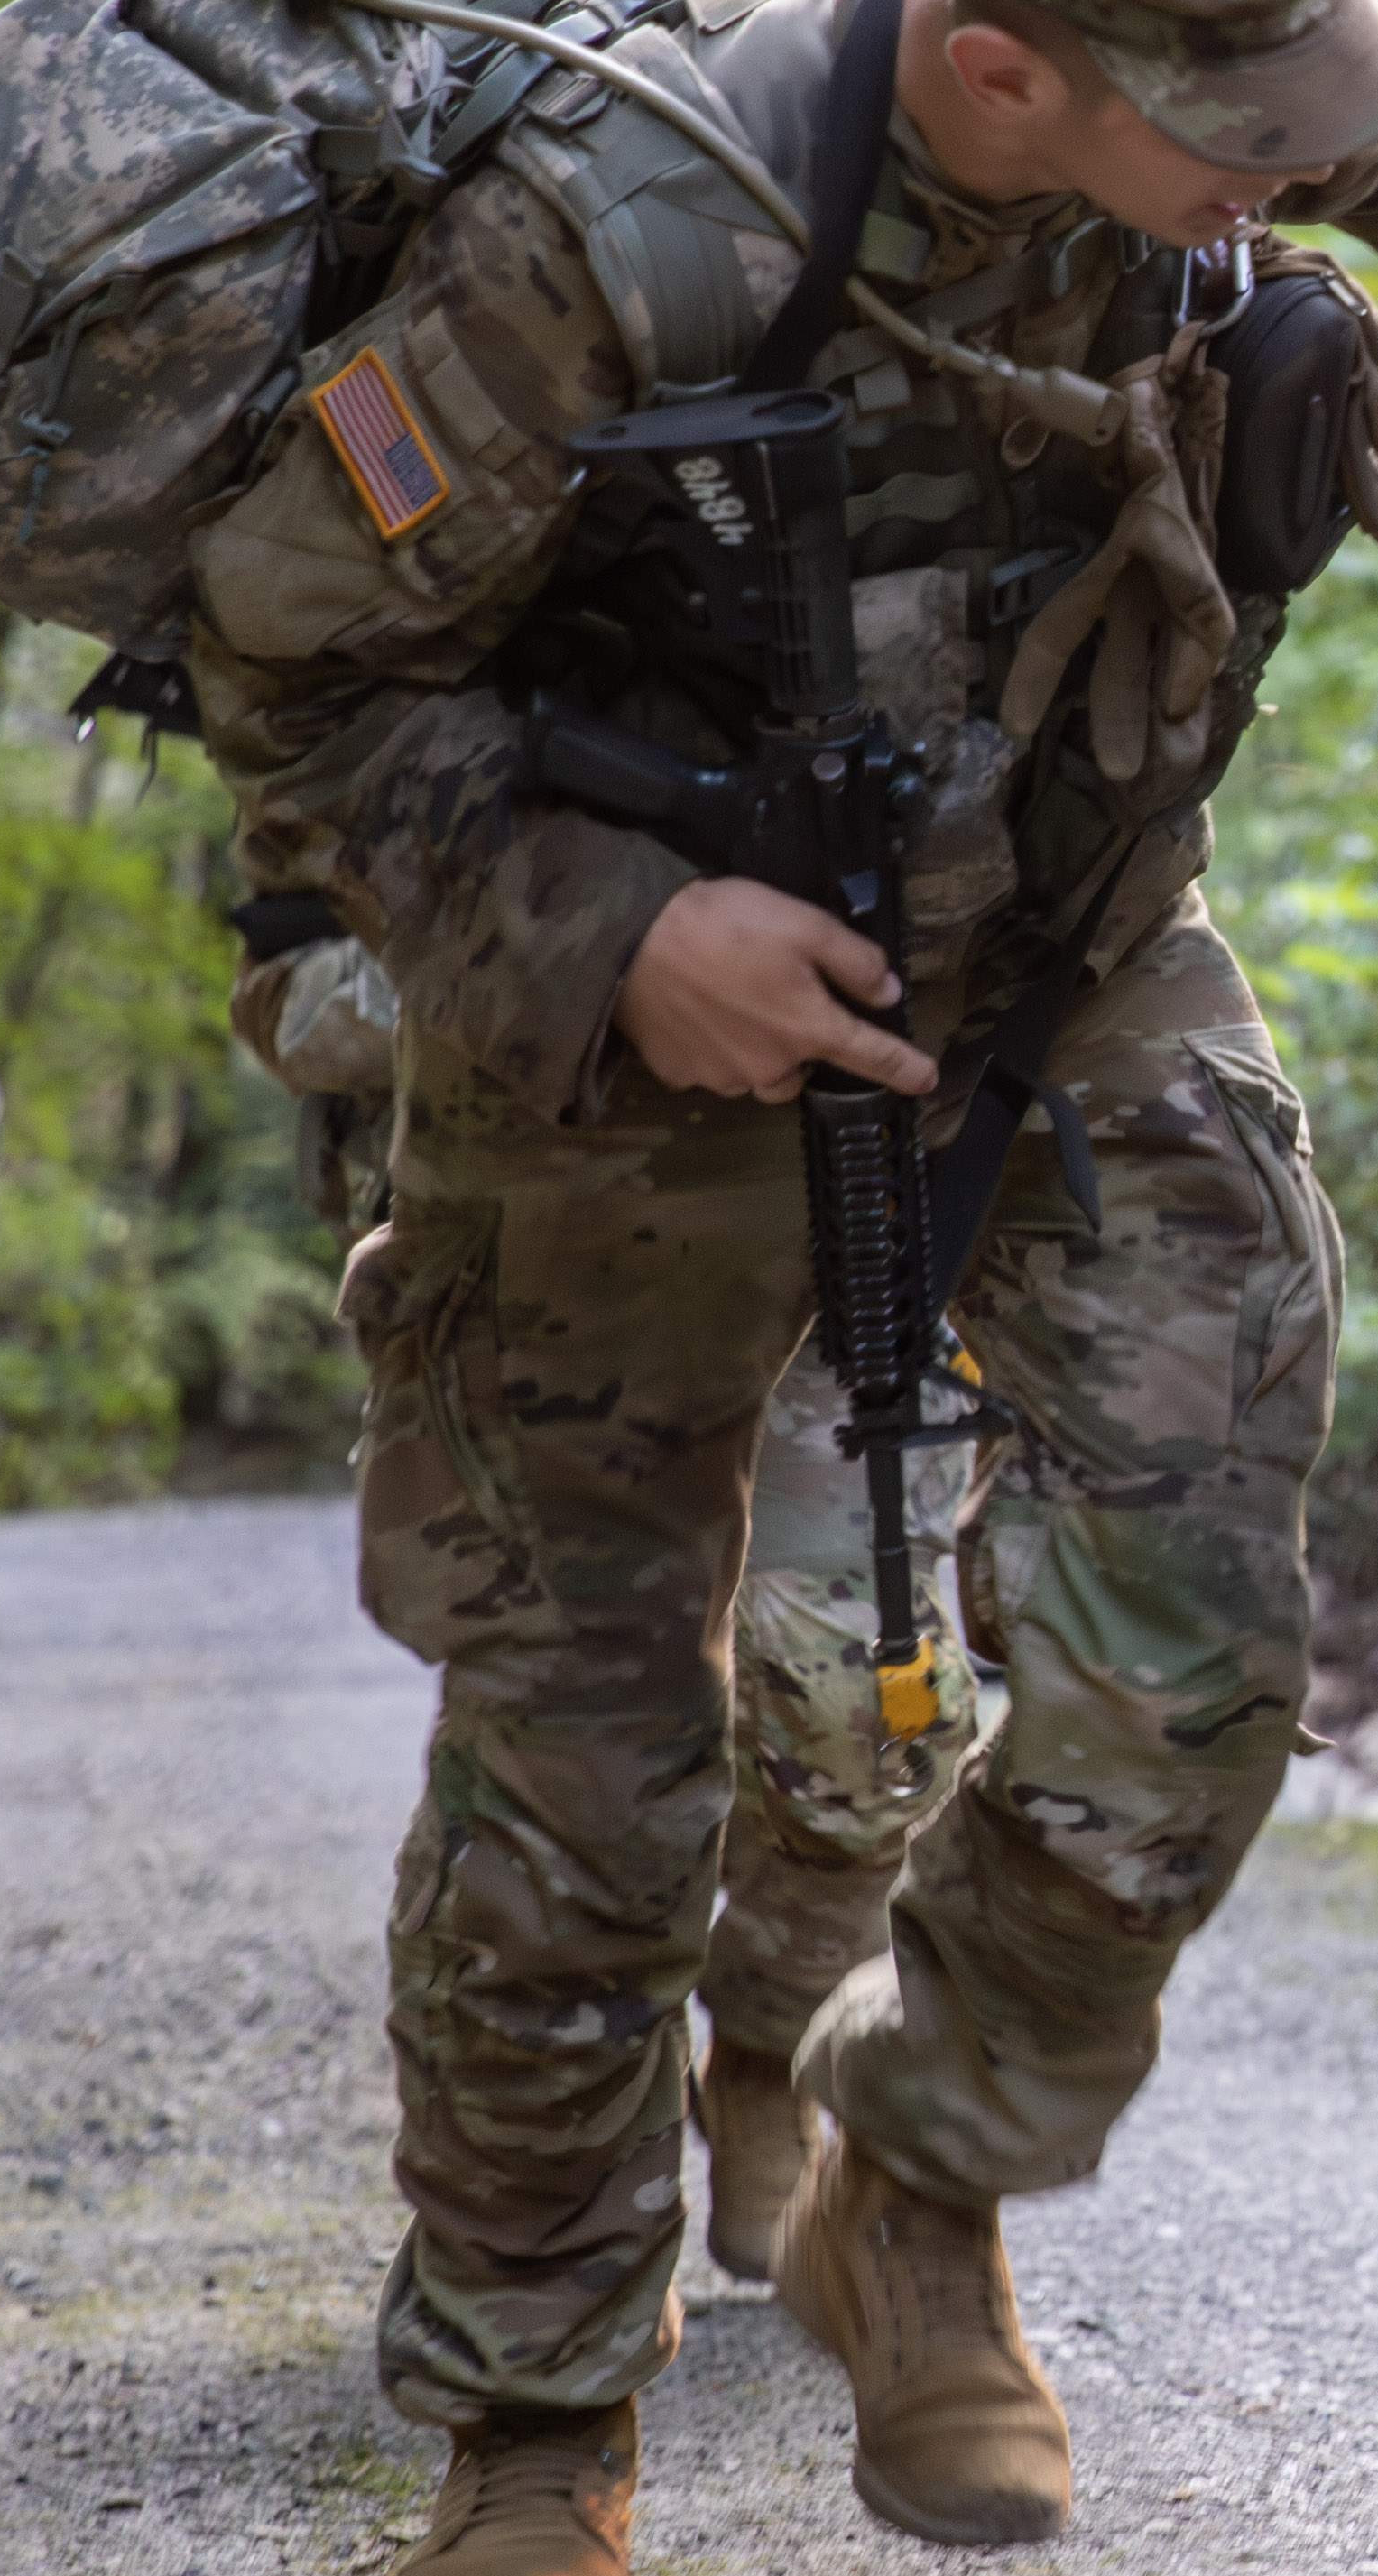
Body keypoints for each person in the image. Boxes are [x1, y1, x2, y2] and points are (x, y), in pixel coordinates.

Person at [175, 0, 1378, 2576]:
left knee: (1196, 1649)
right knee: (586, 1752)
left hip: (1067, 941)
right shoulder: (631, 222)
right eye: (1244, 150)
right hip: (638, 1000)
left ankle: (915, 2190)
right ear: (994, 72)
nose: (1297, 181)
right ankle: (534, 2422)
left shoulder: (1248, 48)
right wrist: (607, 941)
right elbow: (301, 669)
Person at [228, 925, 979, 2284]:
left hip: (856, 1228)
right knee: (577, 1751)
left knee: (862, 1717)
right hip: (561, 1231)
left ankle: (767, 2055)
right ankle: (554, 2247)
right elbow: (289, 992)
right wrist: (608, 944)